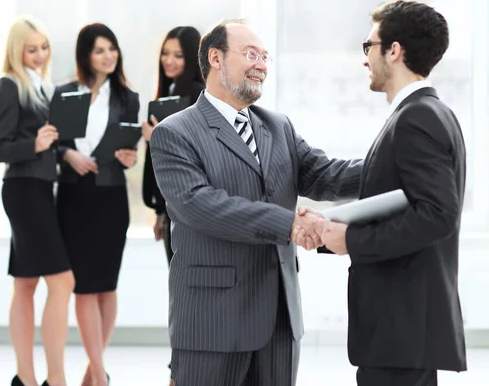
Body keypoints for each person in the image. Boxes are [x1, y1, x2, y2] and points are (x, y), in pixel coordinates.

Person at [149, 19, 363, 386]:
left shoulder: (278, 127)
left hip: (279, 319)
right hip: (212, 324)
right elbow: (202, 206)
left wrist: (391, 163)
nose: (262, 65)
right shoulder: (174, 132)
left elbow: (325, 173)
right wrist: (290, 224)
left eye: (266, 57)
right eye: (251, 54)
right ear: (215, 58)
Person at [313, 0, 467, 386]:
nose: (365, 58)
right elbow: (401, 202)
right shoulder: (427, 112)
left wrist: (351, 239)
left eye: (369, 46)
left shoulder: (417, 118)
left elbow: (437, 215)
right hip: (404, 331)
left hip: (401, 328)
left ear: (394, 51)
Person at [54, 23, 139, 386]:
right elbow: (52, 141)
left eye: (112, 49)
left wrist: (132, 158)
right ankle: (100, 375)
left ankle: (93, 371)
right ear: (85, 55)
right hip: (74, 198)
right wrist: (68, 154)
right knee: (84, 286)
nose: (108, 56)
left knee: (106, 285)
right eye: (99, 50)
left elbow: (132, 149)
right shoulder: (65, 93)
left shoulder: (128, 98)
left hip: (110, 198)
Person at [0, 15, 74, 386]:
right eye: (31, 49)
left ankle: (24, 379)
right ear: (16, 51)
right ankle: (54, 379)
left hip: (40, 187)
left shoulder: (43, 86)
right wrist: (35, 145)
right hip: (23, 189)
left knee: (25, 284)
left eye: (44, 48)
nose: (40, 55)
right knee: (62, 282)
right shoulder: (10, 85)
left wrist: (60, 149)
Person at [141, 26, 204, 265]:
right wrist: (159, 212)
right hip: (170, 209)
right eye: (165, 53)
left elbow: (196, 152)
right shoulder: (166, 93)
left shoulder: (199, 96)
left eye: (178, 55)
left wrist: (156, 137)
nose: (169, 61)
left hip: (189, 210)